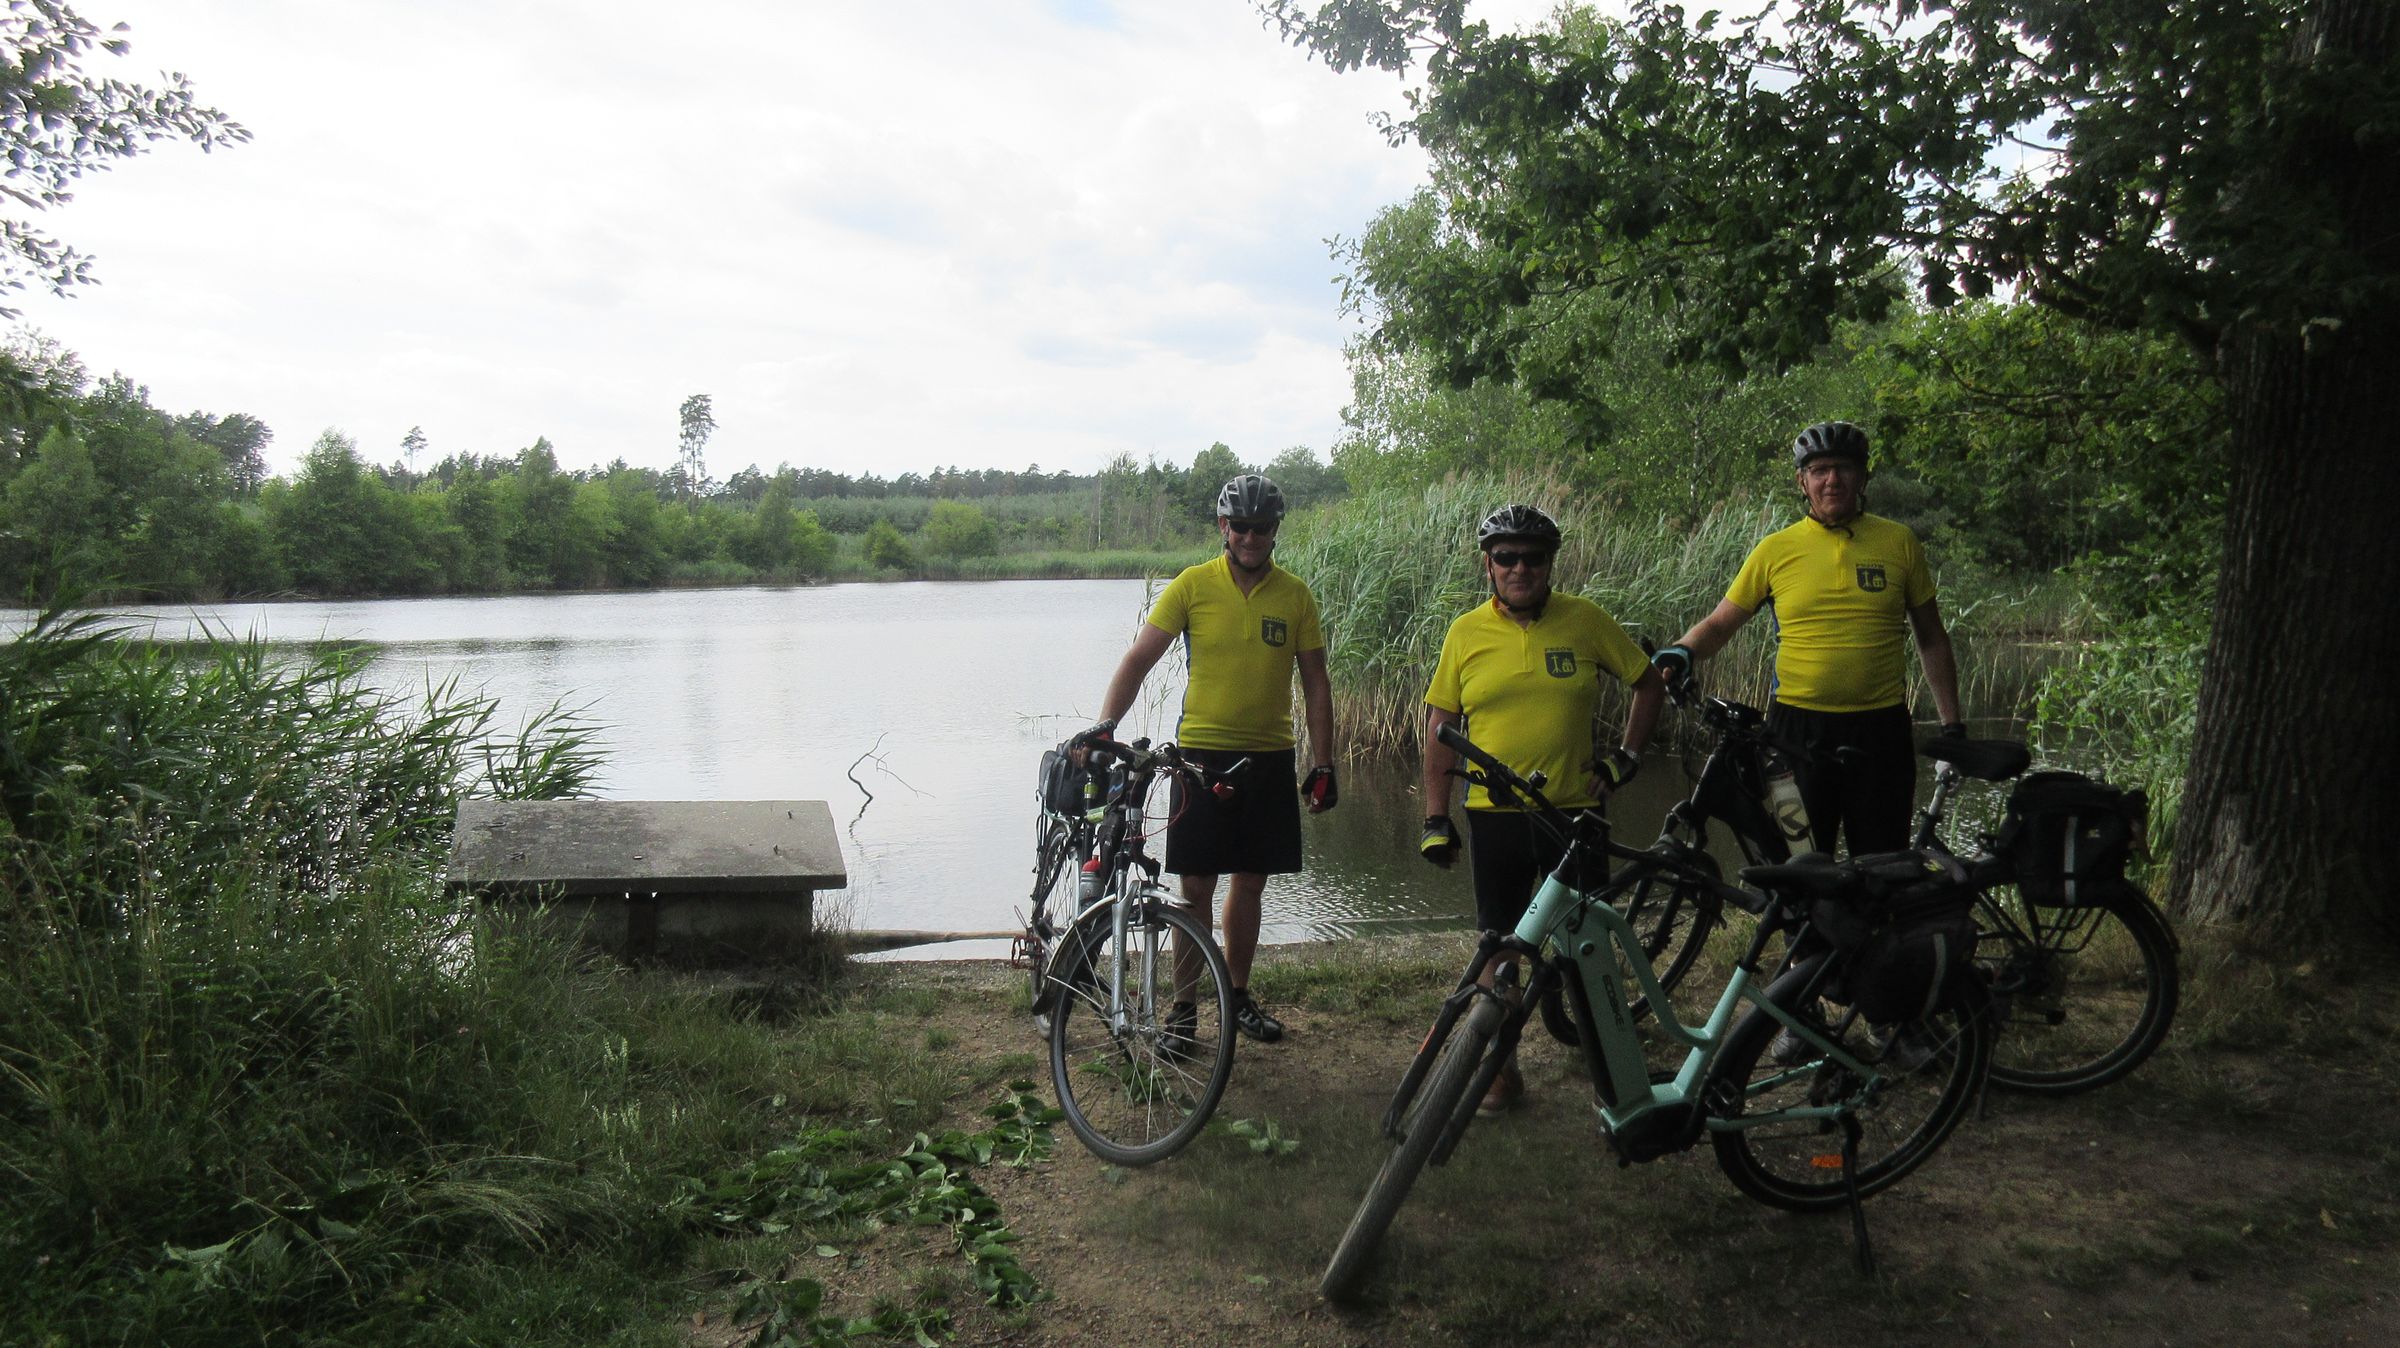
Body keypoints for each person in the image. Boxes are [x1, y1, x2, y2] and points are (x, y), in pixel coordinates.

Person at [1418, 504, 1667, 1114]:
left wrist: (1625, 759)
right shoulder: (1465, 633)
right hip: (1494, 815)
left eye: (1533, 557)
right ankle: (1501, 1071)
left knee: (1588, 947)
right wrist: (1436, 818)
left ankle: (1614, 1074)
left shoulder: (1585, 620)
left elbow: (1648, 682)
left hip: (1575, 817)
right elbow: (1441, 726)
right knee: (1499, 945)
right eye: (1506, 557)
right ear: (1488, 565)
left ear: (1550, 563)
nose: (1520, 568)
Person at [1091, 472, 1336, 1044]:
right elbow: (1138, 660)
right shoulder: (1192, 585)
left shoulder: (1295, 595)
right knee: (1195, 888)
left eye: (1262, 527)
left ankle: (1237, 995)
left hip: (1269, 757)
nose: (1251, 537)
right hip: (1200, 756)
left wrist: (1324, 764)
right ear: (1224, 527)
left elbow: (1316, 684)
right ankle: (1184, 1011)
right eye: (1241, 526)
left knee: (1250, 883)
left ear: (1275, 530)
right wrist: (1106, 728)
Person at [1652, 420, 1964, 858]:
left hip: (1880, 732)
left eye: (1844, 468)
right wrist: (1683, 651)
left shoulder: (1899, 543)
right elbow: (1720, 624)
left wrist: (1952, 727)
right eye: (1819, 470)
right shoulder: (1775, 550)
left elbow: (1931, 638)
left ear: (1863, 477)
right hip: (1795, 735)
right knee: (1802, 868)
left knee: (1883, 866)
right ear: (1802, 481)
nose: (1832, 479)